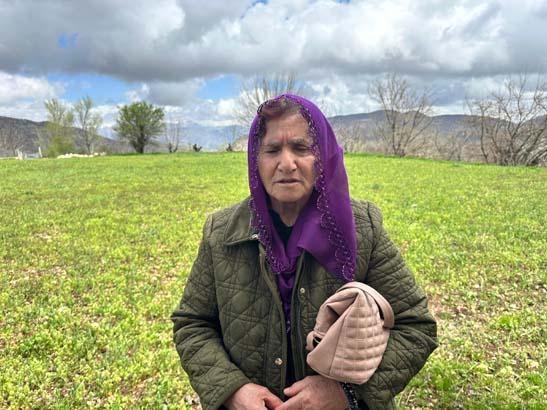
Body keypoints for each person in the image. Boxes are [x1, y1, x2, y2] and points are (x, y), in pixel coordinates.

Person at [172, 94, 437, 410]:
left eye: (301, 148)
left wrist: (345, 392)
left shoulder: (362, 228)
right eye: (272, 150)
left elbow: (415, 327)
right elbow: (193, 324)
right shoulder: (221, 232)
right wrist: (232, 390)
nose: (286, 164)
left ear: (322, 155)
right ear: (256, 159)